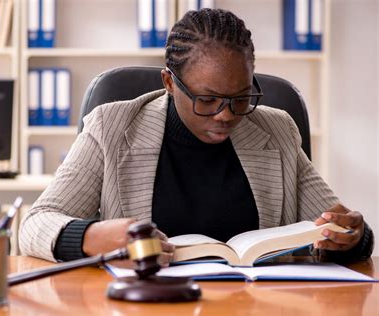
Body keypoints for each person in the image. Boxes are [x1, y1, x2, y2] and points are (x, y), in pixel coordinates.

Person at [19, 8, 374, 264]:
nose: (226, 115)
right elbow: (35, 224)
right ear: (170, 83)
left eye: (240, 98)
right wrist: (92, 237)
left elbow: (334, 224)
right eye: (207, 99)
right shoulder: (111, 126)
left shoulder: (276, 129)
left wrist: (353, 236)